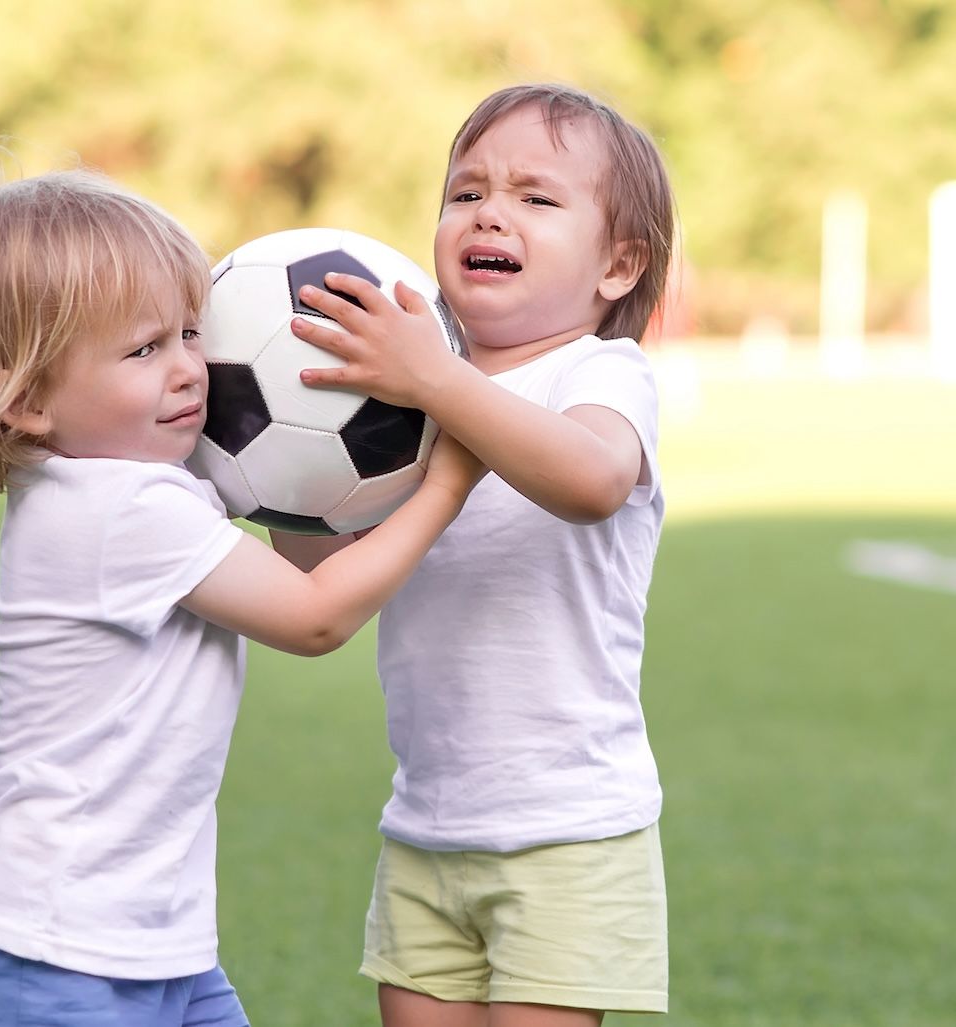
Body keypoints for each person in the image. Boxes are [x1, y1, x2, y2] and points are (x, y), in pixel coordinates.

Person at [0, 168, 486, 1027]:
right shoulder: (120, 508)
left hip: (152, 945)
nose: (190, 370)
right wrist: (447, 480)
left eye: (189, 332)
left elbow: (300, 553)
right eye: (144, 350)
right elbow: (314, 614)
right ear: (25, 398)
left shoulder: (129, 481)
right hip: (54, 953)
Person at [280, 83, 677, 1025]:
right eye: (467, 193)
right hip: (427, 824)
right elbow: (311, 565)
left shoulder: (598, 371)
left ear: (618, 264)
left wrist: (437, 379)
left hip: (569, 830)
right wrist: (266, 466)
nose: (490, 211)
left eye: (537, 199)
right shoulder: (402, 398)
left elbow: (590, 481)